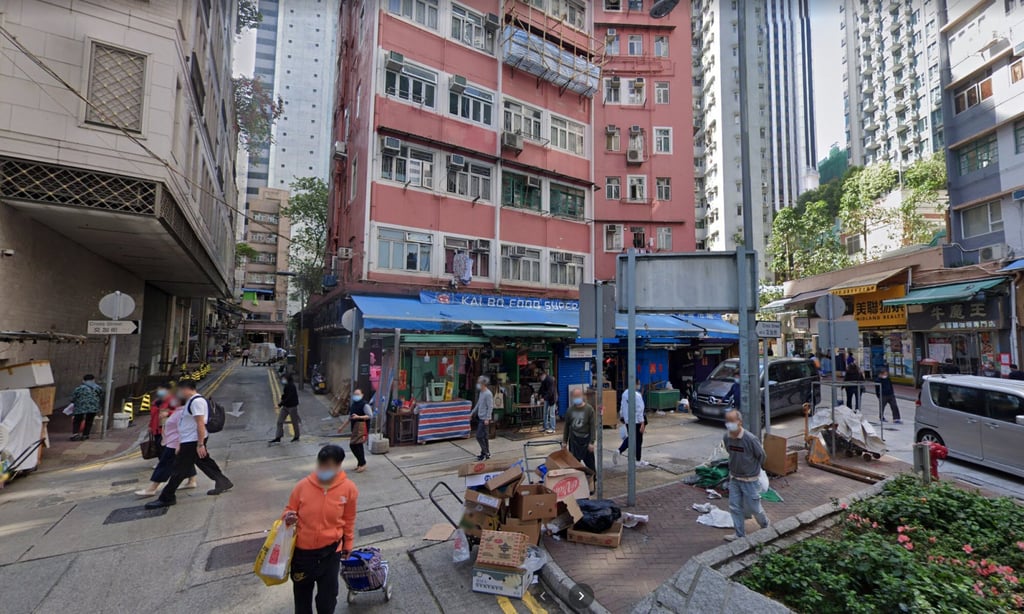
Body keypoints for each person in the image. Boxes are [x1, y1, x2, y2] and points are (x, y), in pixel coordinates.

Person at [282, 445, 359, 614]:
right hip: (302, 554)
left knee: (327, 600)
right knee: (302, 602)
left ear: (338, 466)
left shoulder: (349, 489)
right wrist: (288, 517)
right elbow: (288, 510)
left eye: (329, 467)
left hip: (331, 552)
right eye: (321, 465)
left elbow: (349, 519)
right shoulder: (302, 487)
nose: (324, 470)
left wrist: (348, 543)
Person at [145, 379, 233, 509]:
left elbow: (200, 423)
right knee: (204, 462)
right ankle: (223, 482)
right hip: (189, 440)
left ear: (186, 389)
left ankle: (167, 497)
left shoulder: (196, 402)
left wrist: (200, 444)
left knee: (179, 469)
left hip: (193, 441)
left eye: (180, 391)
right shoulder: (192, 401)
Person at [136, 385, 197, 496]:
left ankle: (152, 489)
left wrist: (179, 444)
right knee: (182, 462)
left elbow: (183, 428)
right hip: (166, 438)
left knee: (164, 464)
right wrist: (151, 426)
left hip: (174, 443)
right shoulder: (158, 402)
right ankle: (191, 480)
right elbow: (154, 415)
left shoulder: (181, 412)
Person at [722, 410, 770, 542]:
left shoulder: (750, 439)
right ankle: (739, 534)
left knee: (754, 507)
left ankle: (766, 525)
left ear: (739, 422)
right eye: (727, 421)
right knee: (734, 507)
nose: (729, 424)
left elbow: (762, 456)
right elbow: (729, 452)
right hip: (734, 478)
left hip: (750, 480)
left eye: (732, 421)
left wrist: (753, 470)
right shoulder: (727, 438)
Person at [562, 388, 597, 472]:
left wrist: (592, 442)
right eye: (575, 396)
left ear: (582, 396)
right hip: (574, 440)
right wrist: (564, 441)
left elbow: (592, 427)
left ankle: (592, 481)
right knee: (574, 466)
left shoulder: (589, 409)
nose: (576, 398)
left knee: (590, 466)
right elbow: (566, 426)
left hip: (586, 439)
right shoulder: (570, 410)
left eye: (578, 396)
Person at [617, 384, 648, 466]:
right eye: (638, 383)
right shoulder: (637, 395)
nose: (639, 385)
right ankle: (637, 460)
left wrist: (622, 416)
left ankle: (621, 452)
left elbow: (622, 406)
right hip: (637, 421)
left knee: (631, 438)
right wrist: (642, 422)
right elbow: (639, 409)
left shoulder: (624, 393)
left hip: (628, 420)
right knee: (638, 440)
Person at [69, 374, 103, 441]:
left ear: (83, 380)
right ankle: (86, 435)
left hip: (80, 408)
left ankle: (75, 434)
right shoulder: (98, 388)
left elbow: (73, 398)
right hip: (93, 407)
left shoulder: (79, 388)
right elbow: (101, 396)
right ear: (93, 380)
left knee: (77, 420)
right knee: (89, 420)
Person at [344, 389, 371, 472]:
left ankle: (363, 463)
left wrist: (358, 417)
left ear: (362, 395)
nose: (356, 396)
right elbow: (350, 417)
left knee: (355, 445)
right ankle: (360, 463)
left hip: (362, 428)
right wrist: (342, 427)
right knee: (356, 446)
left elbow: (370, 415)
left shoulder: (365, 405)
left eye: (358, 394)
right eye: (355, 394)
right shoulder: (354, 404)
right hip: (355, 428)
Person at [271, 374, 301, 443]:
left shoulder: (292, 386)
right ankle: (278, 437)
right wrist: (282, 400)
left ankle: (296, 436)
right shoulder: (286, 386)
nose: (282, 380)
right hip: (285, 406)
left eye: (284, 379)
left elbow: (289, 397)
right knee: (279, 421)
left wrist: (280, 404)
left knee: (294, 422)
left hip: (292, 406)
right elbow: (285, 396)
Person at [470, 376, 493, 461]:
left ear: (483, 384)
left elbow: (490, 407)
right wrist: (472, 413)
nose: (478, 384)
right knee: (484, 437)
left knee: (479, 436)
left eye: (479, 383)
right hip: (480, 417)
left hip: (484, 419)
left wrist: (487, 418)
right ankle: (485, 453)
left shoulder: (488, 394)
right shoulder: (481, 392)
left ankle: (486, 452)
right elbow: (478, 404)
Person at [538, 367, 558, 434]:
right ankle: (545, 427)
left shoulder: (550, 380)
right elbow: (541, 388)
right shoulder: (543, 380)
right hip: (546, 398)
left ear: (544, 375)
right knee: (545, 413)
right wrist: (538, 394)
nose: (540, 378)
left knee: (552, 414)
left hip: (552, 398)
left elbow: (551, 391)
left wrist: (544, 398)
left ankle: (553, 428)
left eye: (541, 377)